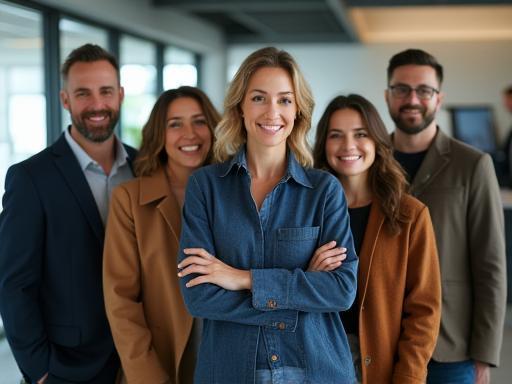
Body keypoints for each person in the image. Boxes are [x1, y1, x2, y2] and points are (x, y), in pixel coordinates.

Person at [176, 47, 358, 384]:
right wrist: (300, 290)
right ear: (240, 107)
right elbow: (199, 296)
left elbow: (340, 289)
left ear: (297, 110)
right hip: (229, 372)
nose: (272, 111)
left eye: (285, 100)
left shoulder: (323, 190)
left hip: (316, 371)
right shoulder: (205, 187)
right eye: (259, 98)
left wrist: (241, 278)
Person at [0, 44, 136, 384]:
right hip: (66, 368)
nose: (97, 105)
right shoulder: (31, 178)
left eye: (105, 91)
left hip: (139, 358)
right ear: (65, 100)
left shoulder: (145, 167)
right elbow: (14, 284)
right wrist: (40, 371)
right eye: (82, 93)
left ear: (119, 95)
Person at [385, 48, 507, 384]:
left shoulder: (472, 165)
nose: (413, 99)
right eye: (401, 89)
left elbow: (491, 266)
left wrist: (485, 354)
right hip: (381, 338)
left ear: (439, 99)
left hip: (450, 343)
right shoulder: (370, 160)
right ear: (387, 95)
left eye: (424, 90)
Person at [313, 94, 441, 383]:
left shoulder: (410, 215)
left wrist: (409, 377)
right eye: (336, 135)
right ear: (324, 144)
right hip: (313, 360)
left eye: (361, 134)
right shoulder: (305, 212)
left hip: (380, 366)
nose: (348, 146)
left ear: (377, 142)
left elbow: (424, 312)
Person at [103, 86, 220, 384]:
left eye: (199, 121)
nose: (189, 134)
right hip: (160, 360)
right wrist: (148, 377)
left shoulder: (239, 191)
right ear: (159, 133)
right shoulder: (129, 199)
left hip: (226, 356)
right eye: (175, 124)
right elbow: (121, 301)